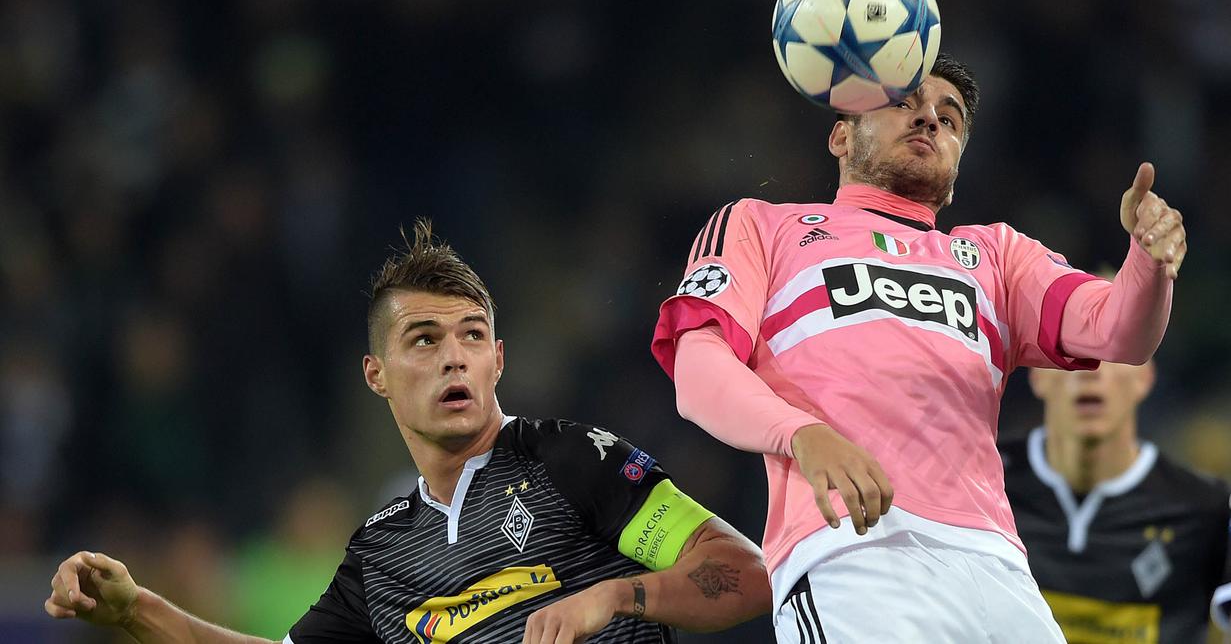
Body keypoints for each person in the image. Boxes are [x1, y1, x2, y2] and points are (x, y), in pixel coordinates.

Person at [650, 52, 1187, 642]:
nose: (930, 119)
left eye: (950, 118)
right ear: (840, 134)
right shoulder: (762, 226)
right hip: (852, 552)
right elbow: (698, 372)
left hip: (996, 565)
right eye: (904, 102)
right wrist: (801, 434)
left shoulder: (998, 257)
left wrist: (1148, 260)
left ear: (958, 164)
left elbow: (1119, 333)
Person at [45, 219, 772, 644]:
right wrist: (136, 609)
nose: (452, 354)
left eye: (471, 336)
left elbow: (744, 576)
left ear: (497, 360)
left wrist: (614, 598)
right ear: (376, 374)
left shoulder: (568, 459)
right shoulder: (382, 552)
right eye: (423, 339)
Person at [1002, 359, 1231, 643]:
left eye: (1113, 355)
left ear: (1145, 378)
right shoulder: (979, 481)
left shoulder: (1211, 510)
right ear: (1037, 376)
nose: (1090, 372)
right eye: (1071, 351)